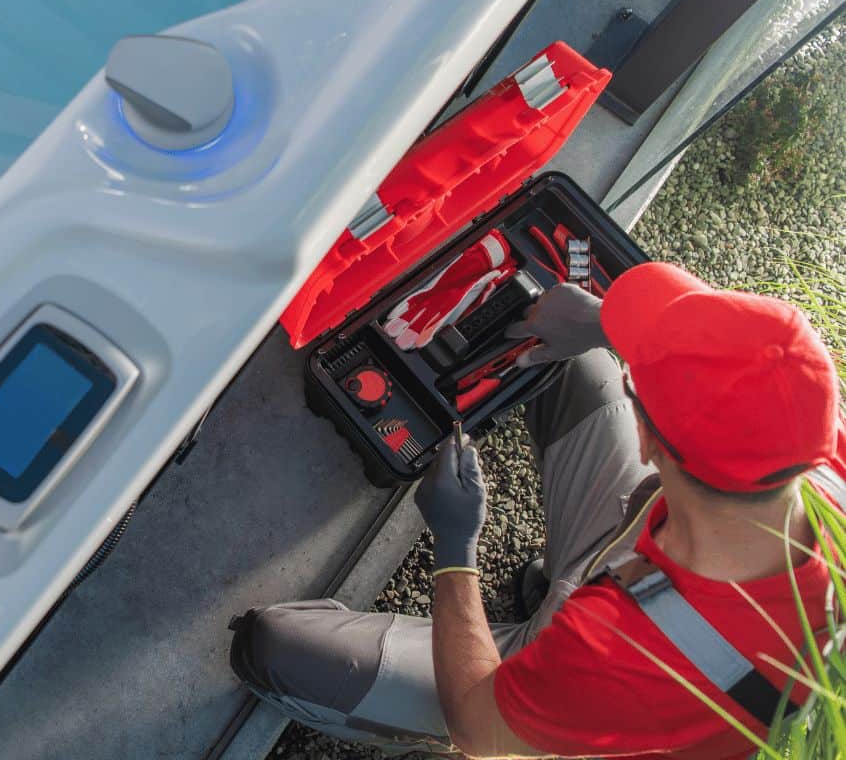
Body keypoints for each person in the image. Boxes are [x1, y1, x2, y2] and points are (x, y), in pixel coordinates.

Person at [228, 262, 845, 758]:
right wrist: (601, 324)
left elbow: (479, 728)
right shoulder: (809, 441)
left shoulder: (638, 658)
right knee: (574, 356)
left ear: (649, 442)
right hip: (642, 545)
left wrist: (455, 545)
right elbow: (720, 362)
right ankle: (558, 581)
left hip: (567, 693)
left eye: (637, 388)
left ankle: (456, 708)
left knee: (274, 648)